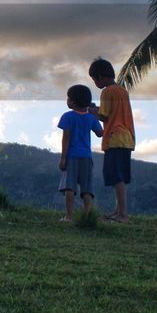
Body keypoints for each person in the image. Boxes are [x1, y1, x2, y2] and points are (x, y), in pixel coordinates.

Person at [88, 58, 135, 222]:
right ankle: (118, 211)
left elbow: (104, 115)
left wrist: (92, 111)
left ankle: (122, 214)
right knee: (120, 176)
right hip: (127, 137)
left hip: (115, 137)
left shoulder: (107, 91)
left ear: (100, 76)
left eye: (94, 79)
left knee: (116, 177)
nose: (95, 82)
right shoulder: (122, 91)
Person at [57, 84, 103, 221]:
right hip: (87, 157)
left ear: (72, 101)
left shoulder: (67, 116)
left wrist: (63, 158)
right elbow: (100, 133)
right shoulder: (91, 118)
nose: (67, 100)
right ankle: (87, 216)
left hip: (71, 156)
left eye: (68, 98)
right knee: (87, 187)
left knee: (69, 187)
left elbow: (66, 138)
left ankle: (69, 216)